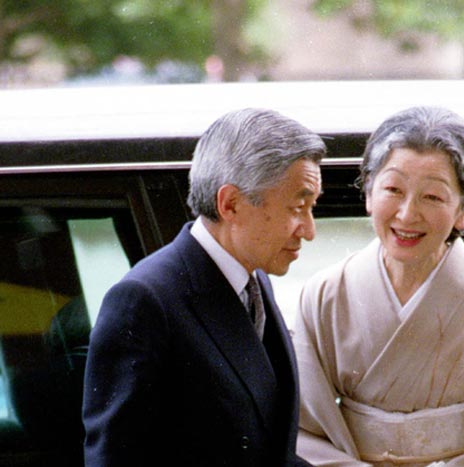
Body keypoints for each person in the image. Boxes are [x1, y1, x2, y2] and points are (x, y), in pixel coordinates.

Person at [293, 106, 464, 467]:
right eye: (393, 189)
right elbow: (301, 434)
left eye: (433, 197)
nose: (407, 214)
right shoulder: (325, 296)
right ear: (369, 193)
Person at [82, 108, 325, 467]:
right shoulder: (144, 300)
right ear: (230, 204)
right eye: (297, 208)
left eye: (311, 208)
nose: (309, 230)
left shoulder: (254, 279)